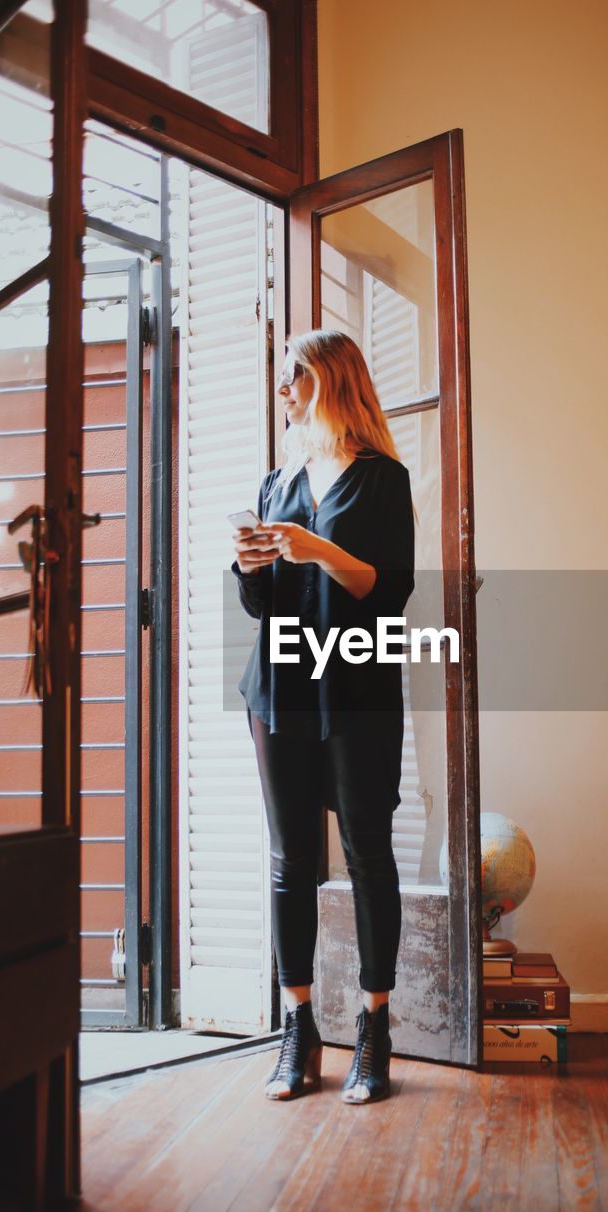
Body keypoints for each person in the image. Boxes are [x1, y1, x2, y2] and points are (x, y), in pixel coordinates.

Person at [230, 329, 415, 1103]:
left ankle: (374, 1028)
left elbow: (390, 587)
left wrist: (316, 549)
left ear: (331, 382)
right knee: (290, 861)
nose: (283, 392)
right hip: (279, 691)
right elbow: (264, 603)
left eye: (293, 378)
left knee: (369, 852)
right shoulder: (278, 484)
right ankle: (297, 1029)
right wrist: (249, 568)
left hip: (357, 691)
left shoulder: (382, 480)